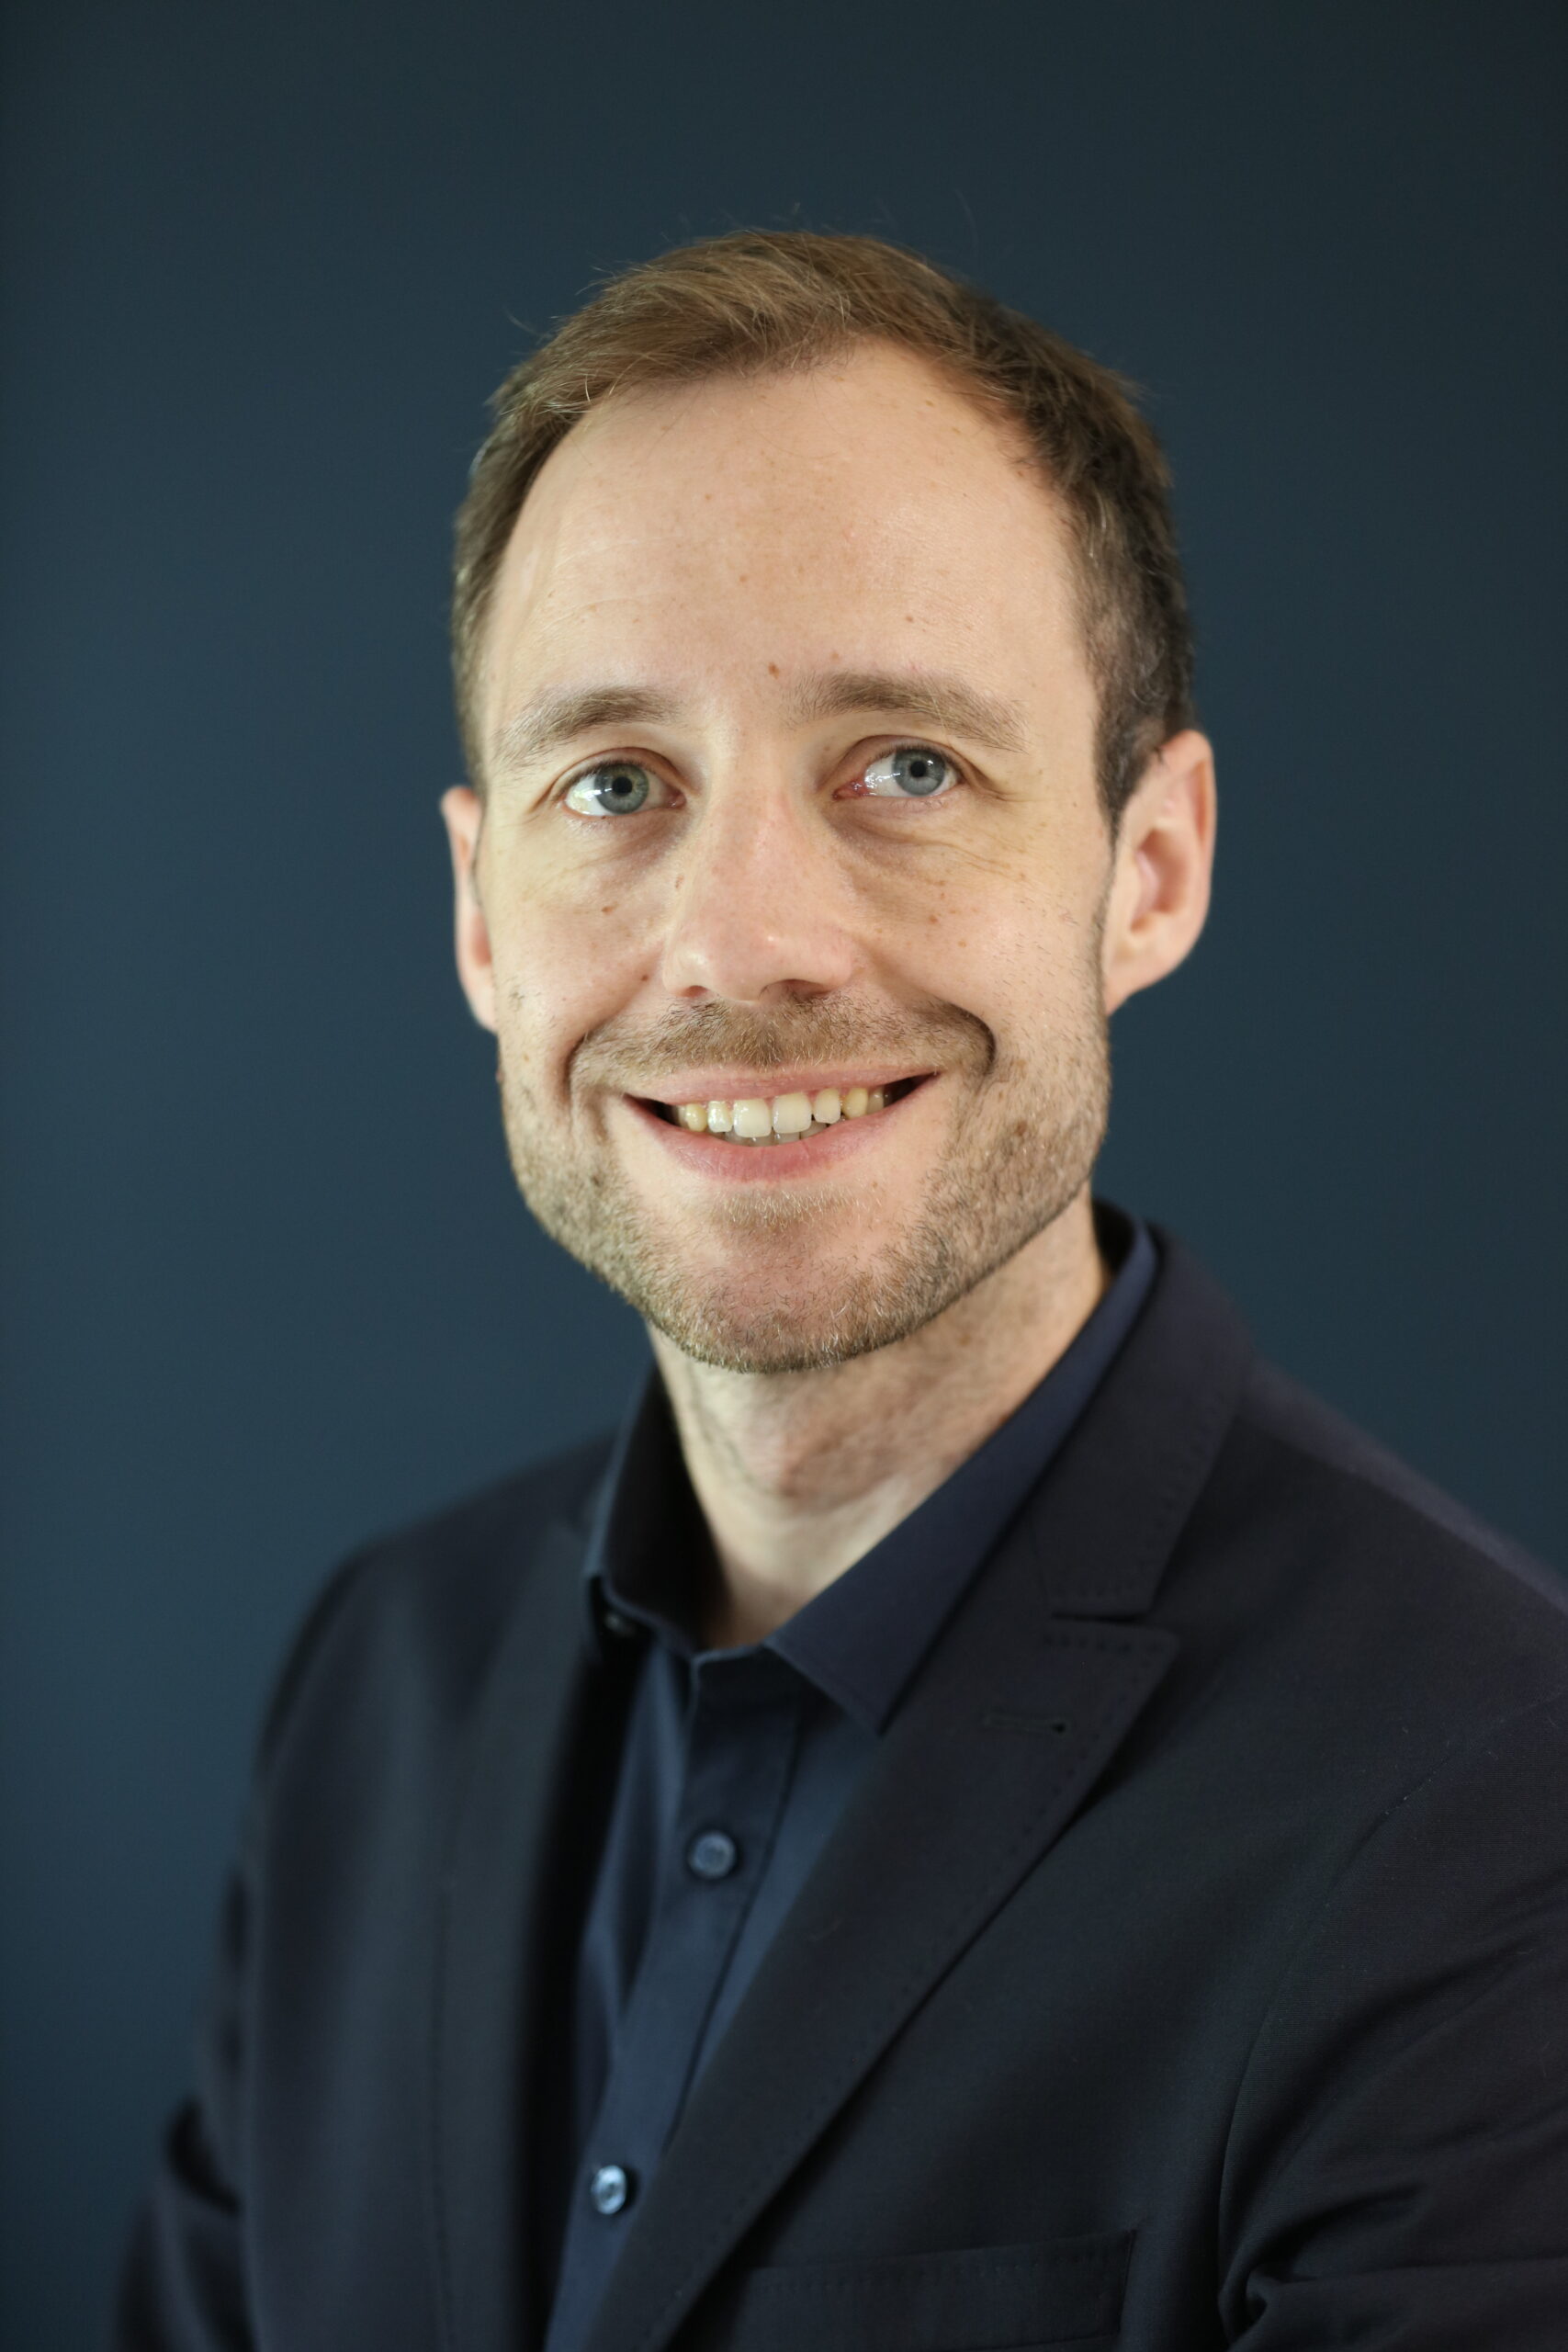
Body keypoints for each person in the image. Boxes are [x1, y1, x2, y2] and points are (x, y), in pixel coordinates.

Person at [115, 232, 1568, 2351]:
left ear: (1147, 868)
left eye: (904, 764)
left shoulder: (1492, 1801)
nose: (739, 942)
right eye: (615, 783)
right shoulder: (377, 1684)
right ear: (481, 915)